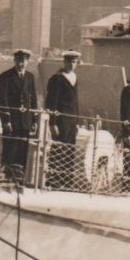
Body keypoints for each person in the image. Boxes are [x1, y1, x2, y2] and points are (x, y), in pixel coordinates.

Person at [0, 49, 39, 185]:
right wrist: (6, 121)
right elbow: (2, 100)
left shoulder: (30, 77)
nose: (21, 63)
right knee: (10, 150)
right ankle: (7, 179)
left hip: (25, 122)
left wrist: (34, 120)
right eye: (19, 60)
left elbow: (33, 100)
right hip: (12, 121)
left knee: (22, 151)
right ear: (15, 61)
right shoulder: (5, 77)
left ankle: (19, 180)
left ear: (27, 62)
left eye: (24, 61)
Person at [45, 49, 83, 189]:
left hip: (72, 120)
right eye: (69, 61)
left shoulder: (74, 77)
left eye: (74, 62)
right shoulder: (57, 79)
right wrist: (52, 122)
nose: (72, 64)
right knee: (59, 149)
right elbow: (52, 102)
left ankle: (67, 181)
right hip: (61, 120)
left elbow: (76, 102)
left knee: (69, 150)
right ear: (64, 62)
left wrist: (77, 121)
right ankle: (54, 181)